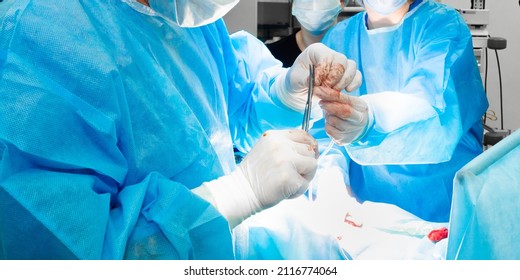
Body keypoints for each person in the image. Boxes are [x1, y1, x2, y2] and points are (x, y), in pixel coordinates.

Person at [0, 0, 361, 259]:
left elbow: (232, 109)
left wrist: (286, 96)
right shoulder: (39, 37)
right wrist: (235, 194)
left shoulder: (188, 17)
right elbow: (64, 254)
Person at [313, 0, 489, 222]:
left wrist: (372, 121)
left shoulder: (442, 26)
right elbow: (322, 133)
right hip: (367, 216)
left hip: (445, 212)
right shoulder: (338, 39)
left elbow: (432, 113)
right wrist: (330, 180)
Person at [266, 0, 345, 67]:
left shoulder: (355, 51)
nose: (314, 5)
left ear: (341, 2)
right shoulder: (270, 56)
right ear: (294, 3)